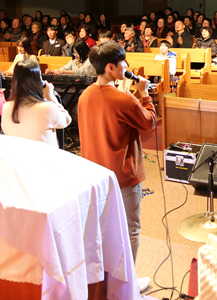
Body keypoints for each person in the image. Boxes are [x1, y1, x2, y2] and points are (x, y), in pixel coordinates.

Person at [78, 42, 156, 292]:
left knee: (103, 231)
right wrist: (144, 94)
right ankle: (127, 286)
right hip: (122, 177)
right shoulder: (124, 99)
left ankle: (104, 283)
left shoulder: (85, 95)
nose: (126, 66)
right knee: (130, 230)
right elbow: (150, 122)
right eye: (123, 62)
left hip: (95, 176)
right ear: (111, 67)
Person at [1, 59, 71, 148]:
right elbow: (66, 120)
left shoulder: (6, 107)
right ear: (38, 81)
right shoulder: (46, 108)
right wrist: (50, 96)